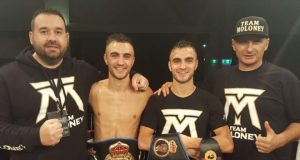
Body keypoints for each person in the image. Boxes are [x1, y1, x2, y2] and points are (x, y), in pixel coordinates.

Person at [0, 9, 148, 160]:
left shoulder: (81, 70)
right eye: (44, 31)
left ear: (67, 37)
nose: (52, 38)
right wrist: (36, 136)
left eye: (58, 32)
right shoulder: (7, 76)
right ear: (31, 37)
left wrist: (136, 74)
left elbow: (115, 77)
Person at [202, 16, 300, 160]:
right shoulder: (217, 78)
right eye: (242, 42)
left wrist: (280, 139)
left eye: (256, 42)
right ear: (233, 44)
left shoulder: (284, 78)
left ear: (266, 44)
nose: (249, 48)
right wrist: (173, 85)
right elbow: (194, 102)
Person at [138, 40, 233, 159]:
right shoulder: (156, 100)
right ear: (169, 66)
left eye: (189, 60)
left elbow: (227, 143)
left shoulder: (210, 100)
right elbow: (143, 141)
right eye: (177, 61)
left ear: (196, 64)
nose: (182, 66)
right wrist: (182, 149)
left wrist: (188, 142)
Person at [88, 33, 152, 159]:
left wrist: (170, 84)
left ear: (133, 61)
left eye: (126, 56)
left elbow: (168, 100)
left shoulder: (145, 94)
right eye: (114, 55)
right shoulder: (93, 91)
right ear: (106, 58)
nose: (120, 62)